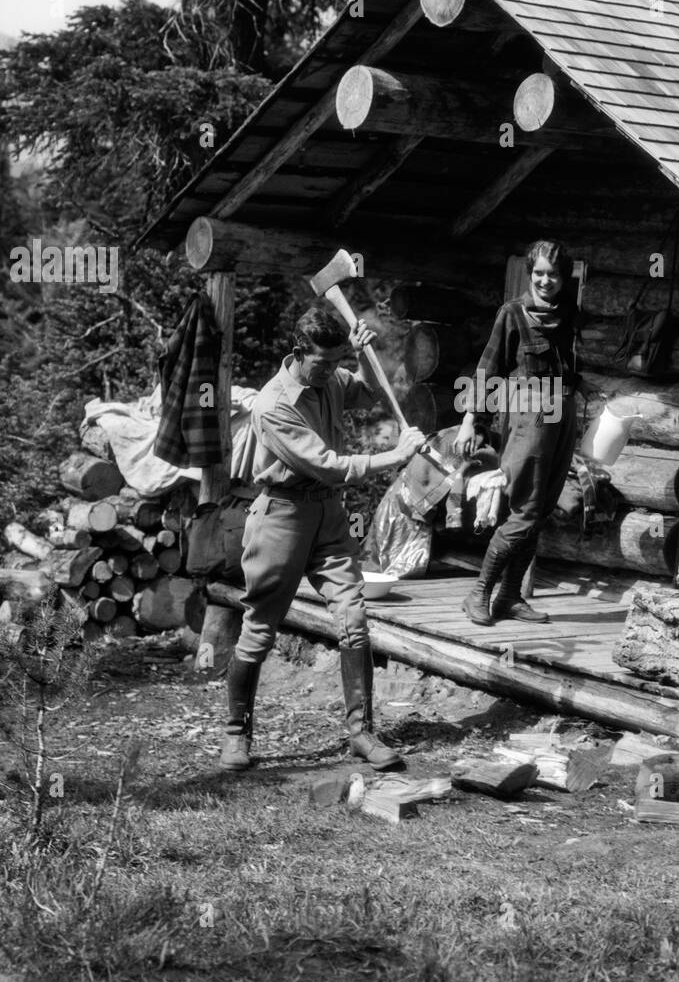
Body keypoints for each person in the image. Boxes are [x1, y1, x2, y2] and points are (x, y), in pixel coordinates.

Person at [221, 304, 425, 773]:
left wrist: (366, 355)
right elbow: (328, 464)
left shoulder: (331, 377)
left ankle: (362, 733)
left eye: (338, 362)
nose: (334, 372)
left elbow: (372, 393)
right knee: (260, 629)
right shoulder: (274, 405)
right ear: (298, 352)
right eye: (325, 362)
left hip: (328, 515)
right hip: (282, 517)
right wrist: (395, 455)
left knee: (353, 619)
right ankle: (237, 735)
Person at [455, 240, 579, 625]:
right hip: (529, 413)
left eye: (553, 274)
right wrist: (469, 420)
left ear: (564, 278)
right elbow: (487, 368)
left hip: (562, 413)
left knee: (541, 509)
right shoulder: (513, 314)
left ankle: (509, 597)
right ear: (530, 273)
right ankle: (480, 592)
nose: (545, 280)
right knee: (524, 508)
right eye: (539, 273)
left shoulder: (568, 314)